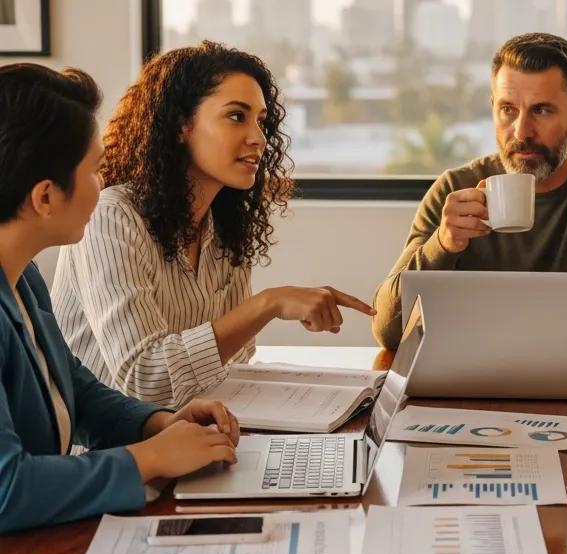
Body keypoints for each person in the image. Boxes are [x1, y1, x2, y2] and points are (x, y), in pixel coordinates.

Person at [52, 42, 374, 409]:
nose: (259, 137)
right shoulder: (111, 217)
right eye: (237, 116)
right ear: (180, 125)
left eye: (261, 121)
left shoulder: (224, 226)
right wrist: (267, 304)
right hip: (107, 455)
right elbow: (145, 380)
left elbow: (232, 364)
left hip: (186, 438)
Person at [0, 63, 241, 534]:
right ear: (45, 197)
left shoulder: (23, 276)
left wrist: (155, 423)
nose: (104, 181)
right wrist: (147, 459)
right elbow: (7, 488)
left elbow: (71, 386)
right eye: (94, 168)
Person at [372, 32, 567, 358]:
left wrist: (524, 347)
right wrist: (443, 244)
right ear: (493, 108)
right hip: (476, 385)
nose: (522, 132)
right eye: (508, 109)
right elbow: (387, 329)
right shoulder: (455, 190)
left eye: (541, 111)